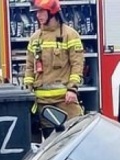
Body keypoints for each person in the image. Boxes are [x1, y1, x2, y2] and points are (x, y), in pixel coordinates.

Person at [22, 0, 83, 139]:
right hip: (43, 103)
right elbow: (30, 67)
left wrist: (72, 89)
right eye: (37, 12)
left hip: (65, 102)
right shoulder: (35, 38)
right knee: (50, 143)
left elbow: (77, 65)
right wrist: (28, 91)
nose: (38, 15)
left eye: (41, 11)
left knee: (73, 137)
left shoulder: (70, 35)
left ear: (52, 12)